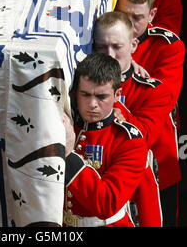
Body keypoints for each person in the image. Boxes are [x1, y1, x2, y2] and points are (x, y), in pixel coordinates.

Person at [94, 10, 180, 226]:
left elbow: (144, 136)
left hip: (146, 192)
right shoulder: (84, 86)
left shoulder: (153, 91)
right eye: (101, 47)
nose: (109, 55)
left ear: (133, 46)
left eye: (117, 47)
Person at [115, 0, 185, 226]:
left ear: (152, 14)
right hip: (111, 158)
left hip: (155, 154)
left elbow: (160, 103)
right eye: (124, 16)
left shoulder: (168, 46)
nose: (130, 25)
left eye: (138, 17)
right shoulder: (105, 40)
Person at [63, 53, 148, 227]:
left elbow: (107, 203)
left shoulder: (130, 142)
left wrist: (69, 156)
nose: (92, 104)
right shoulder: (68, 123)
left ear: (117, 95)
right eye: (85, 95)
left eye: (101, 97)